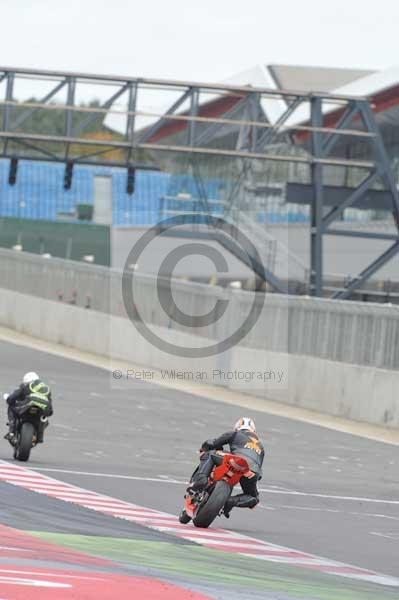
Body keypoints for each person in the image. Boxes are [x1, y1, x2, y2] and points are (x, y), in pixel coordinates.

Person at [188, 417, 265, 518]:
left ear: (237, 427)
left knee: (210, 454)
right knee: (254, 498)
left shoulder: (235, 433)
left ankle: (201, 479)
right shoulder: (261, 446)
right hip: (251, 471)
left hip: (235, 460)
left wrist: (203, 448)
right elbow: (259, 473)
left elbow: (213, 443)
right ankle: (231, 501)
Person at [4, 372, 53, 445]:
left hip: (29, 404)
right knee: (44, 418)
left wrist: (8, 399)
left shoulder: (25, 386)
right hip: (44, 407)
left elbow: (12, 398)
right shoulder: (46, 388)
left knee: (12, 407)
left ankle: (12, 432)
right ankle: (39, 437)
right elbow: (50, 408)